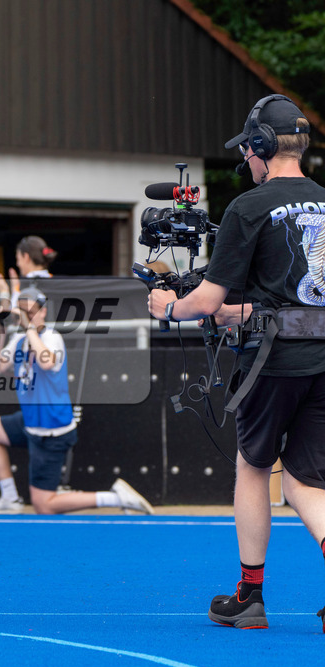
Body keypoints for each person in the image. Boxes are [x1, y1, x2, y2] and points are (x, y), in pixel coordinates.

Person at [148, 94, 325, 631]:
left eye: (248, 148)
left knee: (253, 466)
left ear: (262, 147)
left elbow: (204, 302)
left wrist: (168, 306)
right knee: (306, 483)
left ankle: (250, 596)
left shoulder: (248, 208)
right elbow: (299, 296)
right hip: (320, 356)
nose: (246, 158)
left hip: (273, 362)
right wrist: (246, 310)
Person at [0, 282, 154, 516]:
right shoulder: (18, 339)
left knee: (43, 505)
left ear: (43, 311)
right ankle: (9, 497)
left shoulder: (52, 338)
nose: (27, 317)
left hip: (51, 431)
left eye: (31, 312)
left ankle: (115, 497)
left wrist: (29, 330)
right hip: (31, 422)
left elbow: (46, 362)